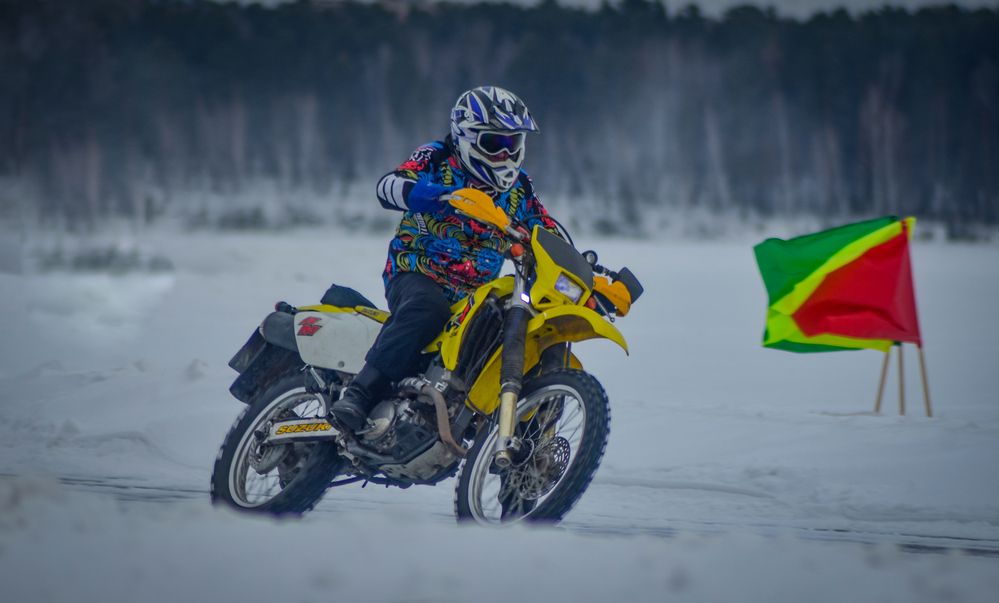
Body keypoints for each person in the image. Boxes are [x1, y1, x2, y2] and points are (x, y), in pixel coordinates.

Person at [330, 85, 561, 432]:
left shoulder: (520, 189)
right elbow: (389, 186)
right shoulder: (437, 157)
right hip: (417, 270)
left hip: (475, 295)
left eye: (511, 143)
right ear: (467, 137)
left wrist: (591, 277)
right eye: (494, 143)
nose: (504, 154)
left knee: (523, 330)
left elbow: (547, 231)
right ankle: (360, 393)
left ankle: (521, 436)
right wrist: (443, 196)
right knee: (428, 308)